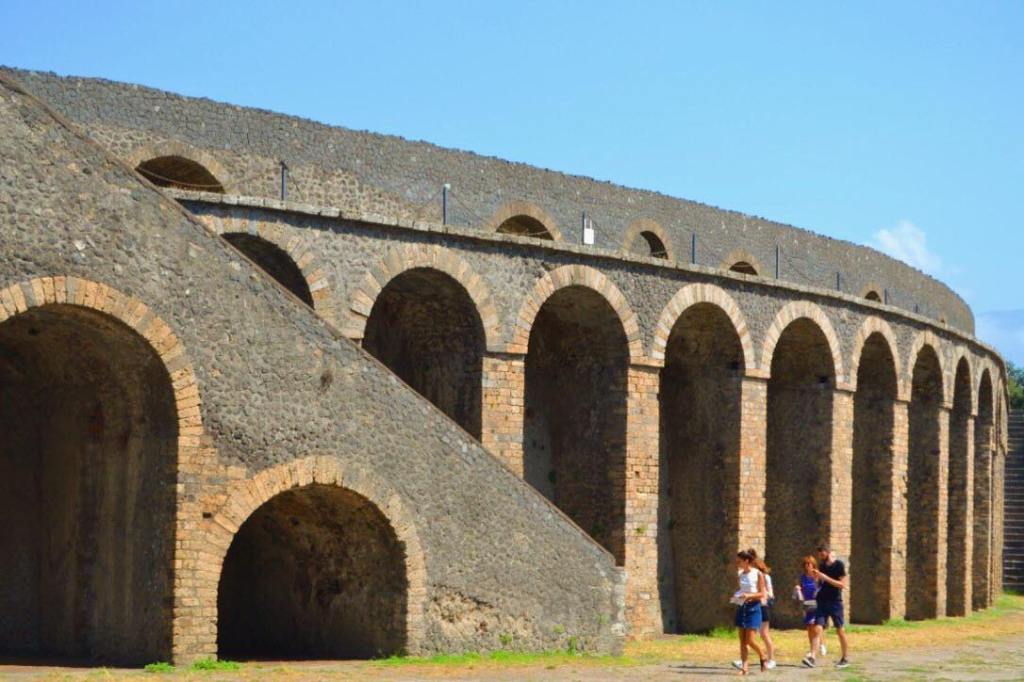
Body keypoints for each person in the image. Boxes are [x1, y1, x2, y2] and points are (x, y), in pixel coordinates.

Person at [802, 544, 850, 669]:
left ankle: (845, 658)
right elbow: (821, 582)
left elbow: (842, 584)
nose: (821, 557)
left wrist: (825, 577)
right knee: (817, 628)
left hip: (835, 602)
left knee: (840, 630)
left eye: (822, 554)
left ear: (827, 552)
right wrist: (816, 578)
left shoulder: (839, 565)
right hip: (822, 602)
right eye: (819, 555)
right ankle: (812, 657)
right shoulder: (822, 565)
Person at [734, 549, 776, 670]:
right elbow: (742, 590)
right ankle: (745, 667)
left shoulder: (758, 574)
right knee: (742, 641)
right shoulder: (740, 574)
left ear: (746, 561)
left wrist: (749, 596)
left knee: (750, 640)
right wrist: (737, 596)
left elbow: (763, 594)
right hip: (742, 607)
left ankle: (762, 655)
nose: (737, 563)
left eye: (739, 561)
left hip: (754, 608)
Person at [794, 555, 827, 660]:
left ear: (813, 564)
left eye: (810, 564)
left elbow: (823, 587)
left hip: (817, 603)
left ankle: (821, 645)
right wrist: (798, 589)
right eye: (806, 564)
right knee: (809, 627)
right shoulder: (802, 577)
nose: (808, 566)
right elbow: (799, 588)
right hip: (807, 604)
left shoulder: (817, 576)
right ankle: (812, 648)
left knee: (815, 625)